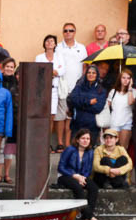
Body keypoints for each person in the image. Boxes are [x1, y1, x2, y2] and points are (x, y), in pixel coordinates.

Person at [35, 35, 69, 152]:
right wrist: (52, 71)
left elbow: (62, 70)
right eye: (47, 41)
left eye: (52, 41)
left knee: (51, 116)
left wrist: (52, 71)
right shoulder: (39, 57)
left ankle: (48, 141)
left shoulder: (59, 57)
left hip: (55, 89)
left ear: (55, 44)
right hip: (43, 90)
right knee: (43, 115)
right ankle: (43, 142)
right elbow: (38, 71)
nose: (49, 43)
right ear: (44, 44)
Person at [56, 23, 87, 151]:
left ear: (75, 32)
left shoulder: (81, 47)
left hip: (77, 87)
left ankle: (68, 143)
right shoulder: (58, 47)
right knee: (60, 116)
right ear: (63, 32)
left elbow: (85, 66)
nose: (68, 32)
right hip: (62, 86)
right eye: (66, 30)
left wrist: (82, 83)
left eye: (71, 30)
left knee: (70, 116)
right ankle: (60, 142)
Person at [57, 128, 97, 220]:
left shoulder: (90, 152)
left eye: (88, 139)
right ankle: (89, 216)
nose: (85, 140)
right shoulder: (70, 149)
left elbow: (88, 169)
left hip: (81, 177)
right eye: (83, 138)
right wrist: (75, 176)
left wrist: (82, 178)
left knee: (93, 188)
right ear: (77, 140)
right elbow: (60, 167)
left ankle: (85, 217)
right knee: (78, 189)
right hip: (66, 176)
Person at [67, 65, 106, 144]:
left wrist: (80, 106)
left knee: (89, 152)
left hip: (92, 126)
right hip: (77, 124)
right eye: (89, 72)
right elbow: (72, 99)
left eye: (93, 73)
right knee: (75, 150)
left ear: (97, 75)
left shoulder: (101, 90)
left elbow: (98, 108)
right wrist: (88, 102)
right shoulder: (79, 87)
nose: (91, 74)